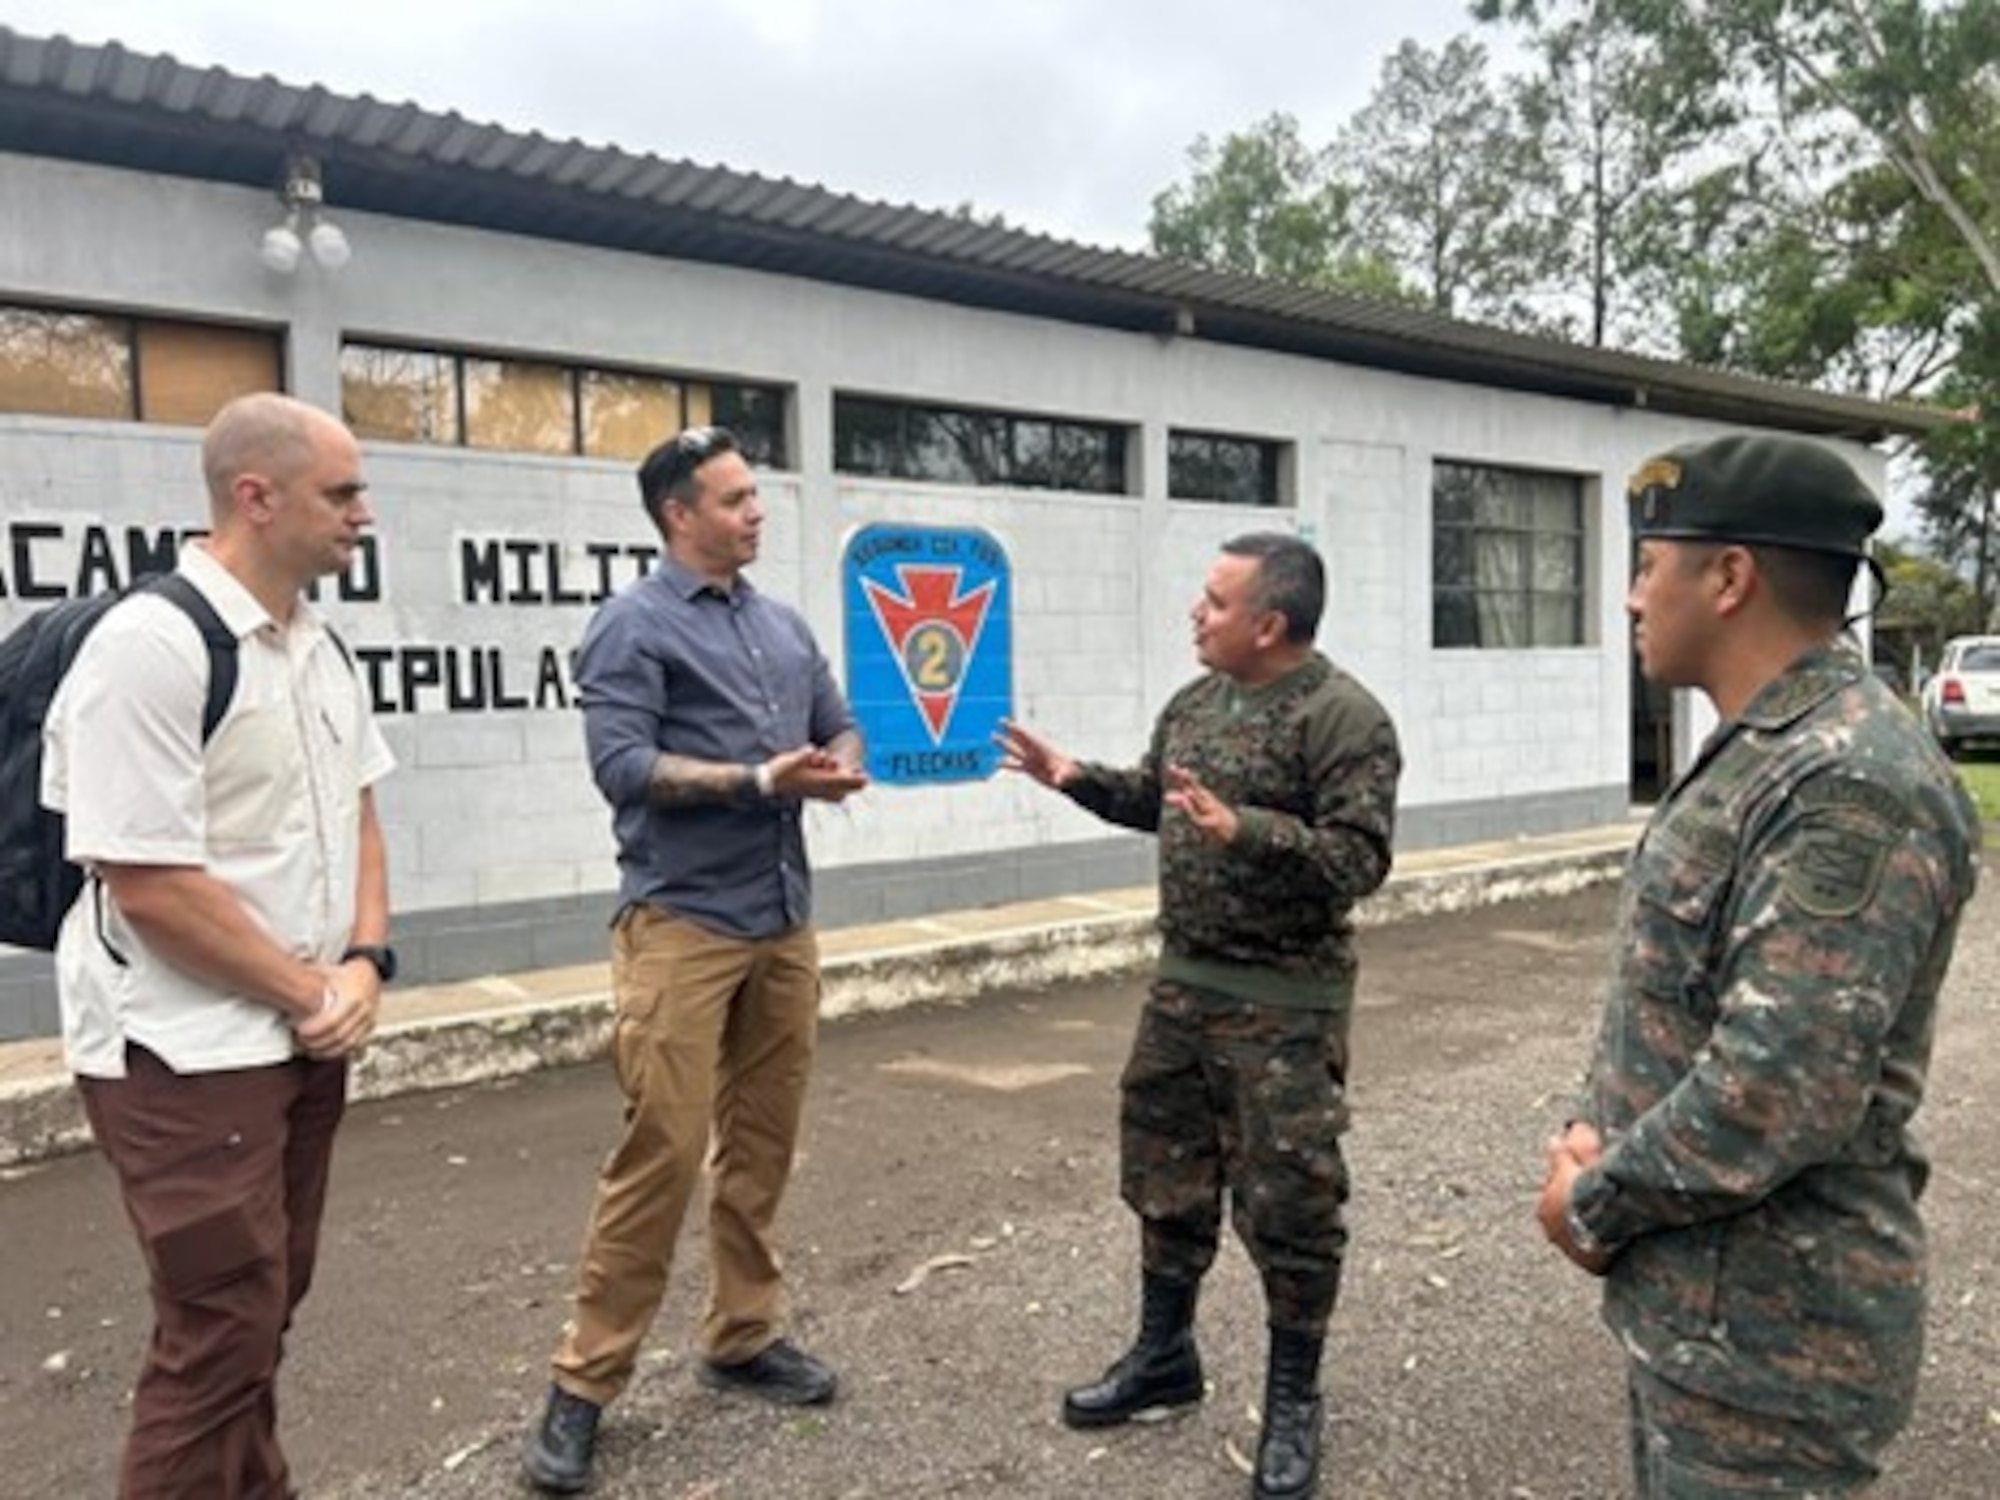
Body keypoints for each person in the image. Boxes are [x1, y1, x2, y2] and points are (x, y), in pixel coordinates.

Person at [1536, 433, 1980, 1496]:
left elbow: (1779, 1083)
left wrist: (1590, 1202)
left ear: (1728, 577)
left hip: (1774, 1341)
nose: (1632, 599)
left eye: (1647, 566)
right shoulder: (1769, 746)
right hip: (1706, 1313)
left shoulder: (1846, 779)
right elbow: (1682, 1001)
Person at [41, 393, 395, 1499]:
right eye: (341, 492)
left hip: (298, 1036)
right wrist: (308, 987)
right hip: (184, 1054)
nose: (362, 514)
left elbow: (360, 812)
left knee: (259, 1312)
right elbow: (146, 883)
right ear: (256, 495)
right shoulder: (150, 649)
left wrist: (363, 962)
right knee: (217, 1333)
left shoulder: (315, 645)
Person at [997, 532, 1401, 1500]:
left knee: (1291, 1204)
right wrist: (1078, 779)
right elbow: (1155, 801)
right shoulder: (1193, 703)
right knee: (1163, 1178)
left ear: (1269, 622)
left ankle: (1293, 1400)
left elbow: (1359, 859)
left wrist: (1247, 829)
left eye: (1214, 602)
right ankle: (1163, 1358)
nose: (1194, 612)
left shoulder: (1343, 719)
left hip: (1284, 1006)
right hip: (1182, 991)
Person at [524, 425, 868, 1494]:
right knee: (661, 1155)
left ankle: (740, 1337)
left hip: (780, 920)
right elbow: (621, 766)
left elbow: (841, 722)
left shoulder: (780, 622)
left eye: (754, 495)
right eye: (733, 500)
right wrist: (758, 781)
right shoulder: (630, 626)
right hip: (681, 925)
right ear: (680, 515)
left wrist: (838, 764)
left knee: (761, 1147)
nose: (755, 512)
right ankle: (581, 1386)